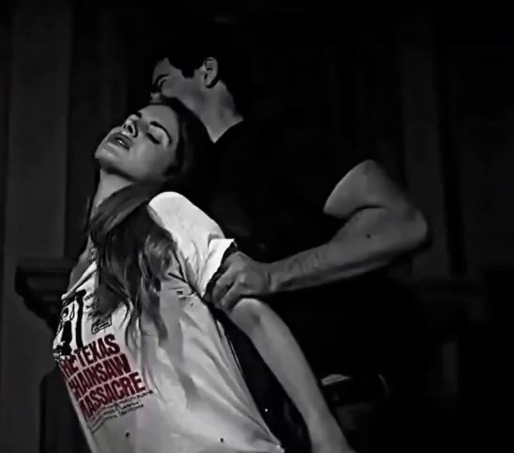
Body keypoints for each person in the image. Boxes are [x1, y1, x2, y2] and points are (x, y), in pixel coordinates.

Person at [149, 22, 430, 446]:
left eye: (162, 84)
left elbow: (403, 221)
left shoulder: (279, 143)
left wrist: (274, 275)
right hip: (255, 422)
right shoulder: (188, 185)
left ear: (207, 72)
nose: (153, 100)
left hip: (339, 408)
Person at [53, 97, 353, 453]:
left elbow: (256, 317)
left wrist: (323, 429)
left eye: (154, 135)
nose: (131, 126)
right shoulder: (77, 283)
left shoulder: (165, 215)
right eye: (133, 119)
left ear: (171, 174)